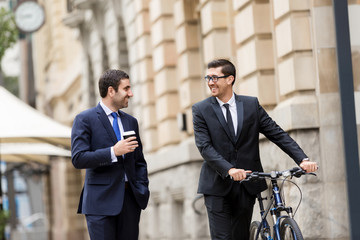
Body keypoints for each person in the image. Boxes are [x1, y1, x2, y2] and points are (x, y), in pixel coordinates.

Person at [192, 59, 318, 240]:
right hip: (217, 185)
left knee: (241, 236)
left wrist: (302, 159)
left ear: (230, 79)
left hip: (247, 183)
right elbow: (205, 147)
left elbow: (276, 133)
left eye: (214, 77)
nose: (210, 82)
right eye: (208, 78)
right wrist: (229, 169)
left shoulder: (251, 105)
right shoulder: (201, 109)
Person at [71, 69, 150, 240]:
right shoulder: (85, 119)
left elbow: (139, 162)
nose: (131, 93)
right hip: (99, 204)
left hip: (129, 202)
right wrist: (113, 151)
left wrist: (142, 188)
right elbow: (78, 158)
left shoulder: (131, 121)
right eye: (126, 88)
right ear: (111, 91)